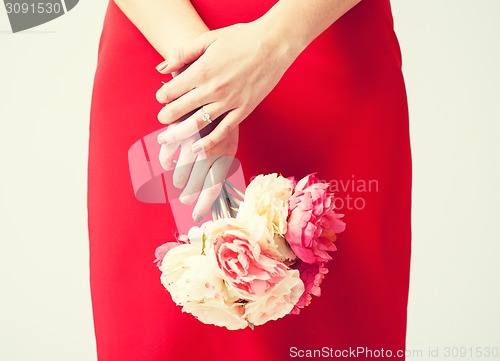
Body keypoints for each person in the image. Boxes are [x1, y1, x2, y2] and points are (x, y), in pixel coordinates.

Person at [87, 0, 412, 360]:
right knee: (165, 331)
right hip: (164, 48)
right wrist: (204, 79)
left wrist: (273, 41)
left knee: (334, 326)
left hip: (319, 35)